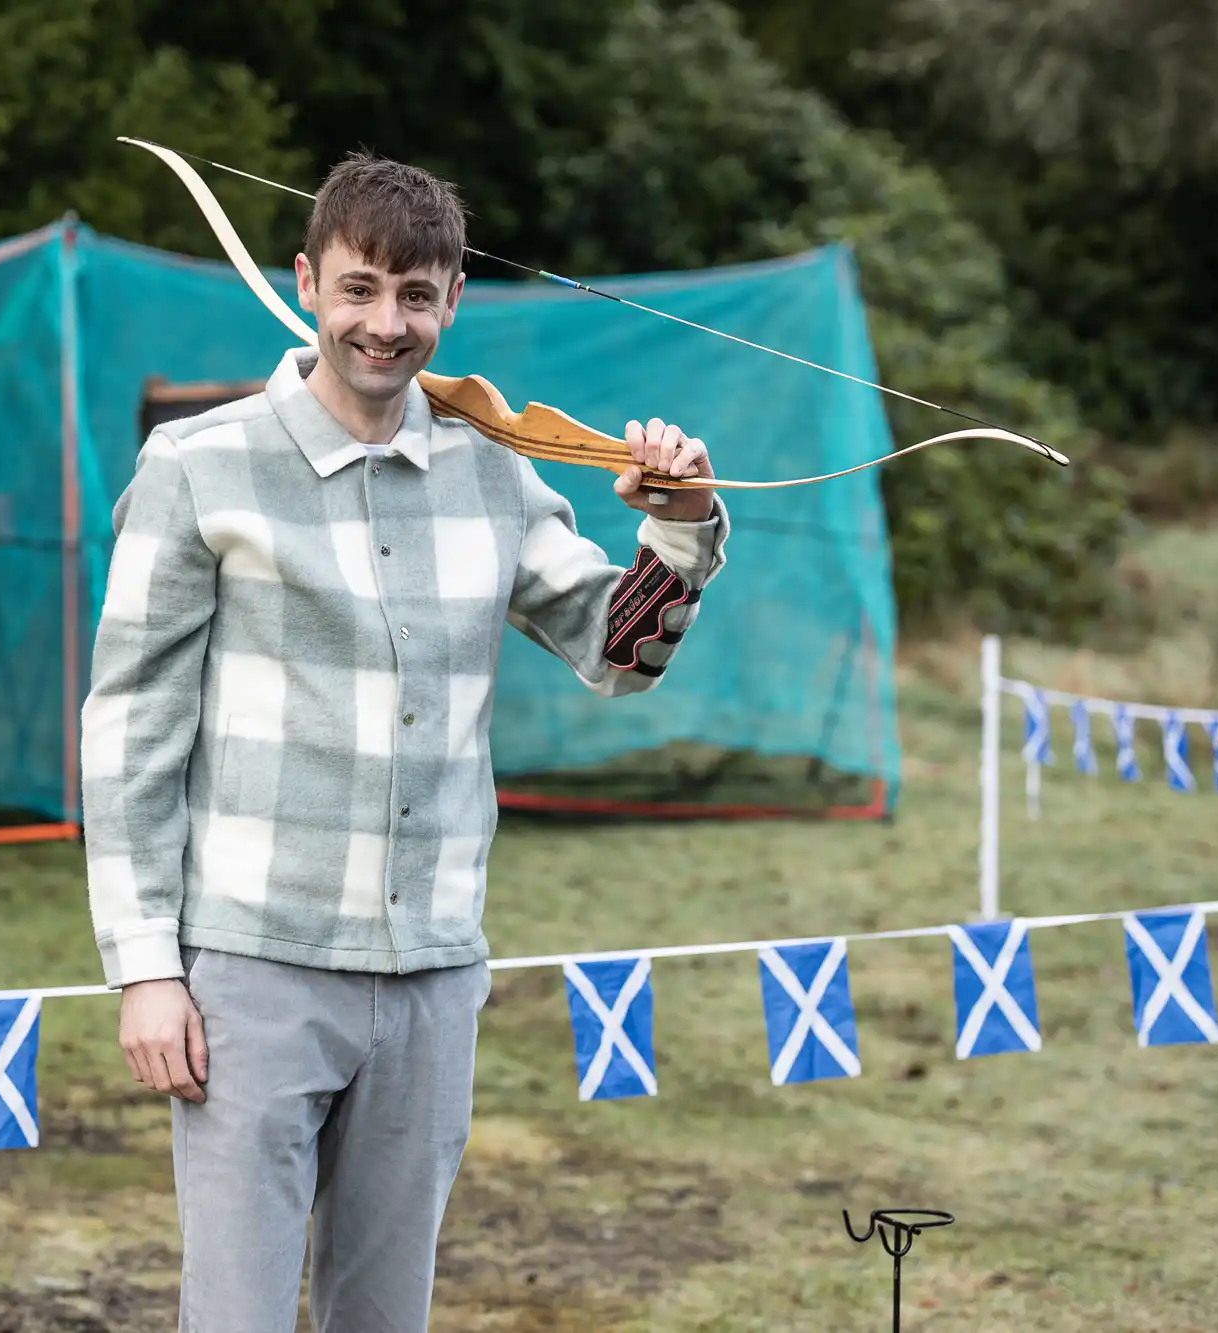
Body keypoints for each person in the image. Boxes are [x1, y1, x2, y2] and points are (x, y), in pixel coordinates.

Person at [81, 151, 731, 1331]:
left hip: (431, 974)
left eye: (414, 296)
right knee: (233, 1313)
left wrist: (679, 522)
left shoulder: (492, 469)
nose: (384, 325)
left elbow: (616, 650)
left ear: (449, 302)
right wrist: (144, 969)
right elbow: (128, 728)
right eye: (358, 289)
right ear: (306, 282)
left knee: (384, 1315)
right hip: (251, 969)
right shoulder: (196, 466)